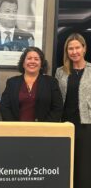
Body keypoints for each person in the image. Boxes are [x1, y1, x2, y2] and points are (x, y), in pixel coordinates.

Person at [55, 33, 91, 188]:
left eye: (77, 47)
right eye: (71, 48)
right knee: (65, 163)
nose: (74, 51)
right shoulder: (60, 71)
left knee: (84, 166)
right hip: (65, 123)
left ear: (84, 49)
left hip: (86, 124)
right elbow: (57, 97)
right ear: (66, 51)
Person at [0, 46, 63, 121]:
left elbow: (57, 108)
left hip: (44, 130)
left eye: (36, 59)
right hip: (16, 130)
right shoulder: (12, 83)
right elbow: (4, 107)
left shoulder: (51, 83)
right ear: (23, 63)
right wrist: (14, 127)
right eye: (29, 58)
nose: (32, 61)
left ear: (41, 64)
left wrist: (44, 128)